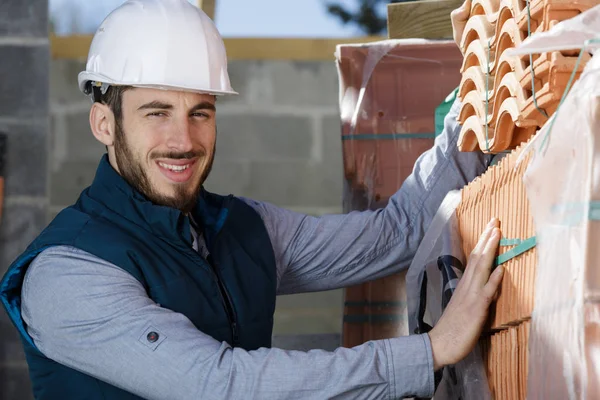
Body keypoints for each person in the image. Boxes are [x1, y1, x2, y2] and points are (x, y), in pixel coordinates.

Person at [0, 0, 504, 398]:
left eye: (200, 111)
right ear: (104, 124)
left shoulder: (242, 228)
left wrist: (481, 93)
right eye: (156, 113)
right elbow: (219, 385)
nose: (183, 139)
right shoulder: (66, 273)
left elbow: (396, 233)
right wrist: (431, 350)